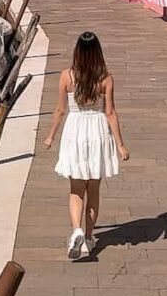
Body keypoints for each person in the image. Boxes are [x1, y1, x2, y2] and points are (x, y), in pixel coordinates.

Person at [44, 31, 129, 259]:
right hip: (98, 131)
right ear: (98, 52)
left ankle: (77, 231)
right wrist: (120, 145)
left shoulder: (66, 76)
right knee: (94, 190)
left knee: (76, 190)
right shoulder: (106, 78)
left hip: (75, 131)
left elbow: (61, 110)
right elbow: (110, 113)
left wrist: (51, 136)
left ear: (77, 52)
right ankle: (89, 239)